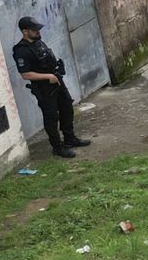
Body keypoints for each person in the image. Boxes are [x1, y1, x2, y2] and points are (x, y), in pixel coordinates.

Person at [11, 16, 90, 158]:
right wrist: (48, 77)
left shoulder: (38, 41)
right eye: (34, 30)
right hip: (44, 89)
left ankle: (70, 139)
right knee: (51, 118)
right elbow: (26, 74)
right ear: (25, 31)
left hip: (56, 81)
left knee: (67, 108)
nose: (38, 32)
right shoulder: (21, 51)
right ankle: (57, 147)